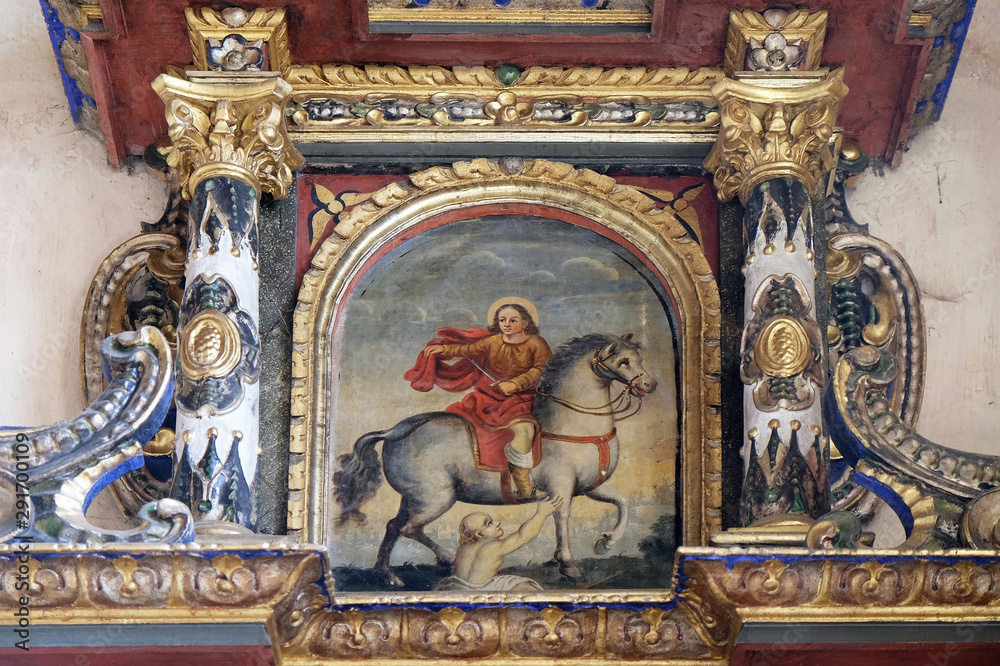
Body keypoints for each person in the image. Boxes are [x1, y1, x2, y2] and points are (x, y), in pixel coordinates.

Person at [405, 297, 552, 501]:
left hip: (522, 400)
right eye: (502, 320)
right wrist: (444, 350)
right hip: (489, 399)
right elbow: (468, 350)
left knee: (526, 430)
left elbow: (541, 369)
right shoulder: (493, 341)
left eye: (513, 320)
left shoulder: (536, 343)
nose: (506, 325)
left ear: (526, 323)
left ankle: (523, 486)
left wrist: (515, 384)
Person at [435, 497, 563, 592]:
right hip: (482, 589)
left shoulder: (463, 548)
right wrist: (541, 514)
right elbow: (523, 536)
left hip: (457, 585)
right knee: (525, 588)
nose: (497, 523)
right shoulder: (493, 548)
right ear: (480, 535)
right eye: (489, 523)